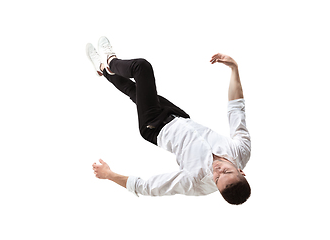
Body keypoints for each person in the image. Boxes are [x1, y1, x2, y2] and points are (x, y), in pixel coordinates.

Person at [88, 37, 251, 205]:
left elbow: (149, 187)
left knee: (142, 68)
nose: (217, 171)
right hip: (179, 116)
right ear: (240, 171)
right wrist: (234, 68)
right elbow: (236, 110)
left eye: (217, 179)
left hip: (155, 127)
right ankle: (102, 69)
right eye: (226, 171)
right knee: (134, 91)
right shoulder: (242, 151)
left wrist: (109, 175)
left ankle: (111, 61)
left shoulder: (195, 183)